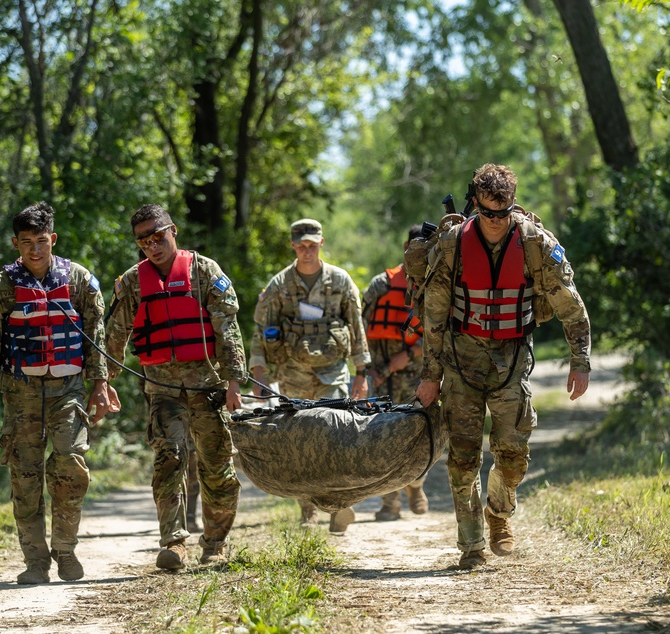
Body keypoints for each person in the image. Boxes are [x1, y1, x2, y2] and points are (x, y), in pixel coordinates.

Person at [414, 163, 591, 570]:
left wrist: (579, 361)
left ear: (512, 204)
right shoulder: (453, 244)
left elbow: (570, 304)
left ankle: (499, 511)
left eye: (503, 212)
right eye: (488, 213)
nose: (495, 222)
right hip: (461, 360)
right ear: (475, 203)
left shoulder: (535, 244)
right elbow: (435, 314)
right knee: (462, 457)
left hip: (511, 361)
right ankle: (472, 546)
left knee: (512, 455)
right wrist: (430, 376)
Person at [0, 202, 113, 585]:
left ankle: (65, 551)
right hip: (21, 393)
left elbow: (96, 337)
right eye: (26, 242)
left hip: (69, 389)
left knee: (70, 466)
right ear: (16, 243)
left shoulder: (80, 279)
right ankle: (36, 562)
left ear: (53, 239)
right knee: (26, 477)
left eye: (41, 241)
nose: (35, 250)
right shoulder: (1, 286)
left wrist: (101, 384)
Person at [105, 204, 245, 570]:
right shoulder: (133, 282)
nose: (153, 245)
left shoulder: (204, 271)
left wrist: (234, 382)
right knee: (170, 460)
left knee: (216, 468)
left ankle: (215, 543)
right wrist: (102, 382)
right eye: (143, 240)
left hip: (208, 387)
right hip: (162, 389)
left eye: (158, 236)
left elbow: (228, 330)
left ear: (173, 231)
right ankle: (174, 543)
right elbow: (115, 334)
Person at [250, 218, 372, 534]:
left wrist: (362, 372)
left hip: (333, 372)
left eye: (312, 245)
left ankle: (340, 505)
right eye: (301, 245)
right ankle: (308, 509)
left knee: (336, 436)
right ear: (293, 245)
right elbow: (261, 331)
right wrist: (259, 374)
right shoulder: (279, 285)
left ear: (321, 243)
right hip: (293, 374)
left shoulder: (341, 281)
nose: (306, 251)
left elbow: (356, 328)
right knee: (301, 442)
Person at [361, 224, 430, 522]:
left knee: (417, 437)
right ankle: (391, 504)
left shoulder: (433, 285)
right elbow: (359, 330)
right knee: (382, 439)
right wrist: (365, 370)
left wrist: (410, 353)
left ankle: (415, 485)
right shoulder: (380, 285)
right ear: (405, 246)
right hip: (380, 376)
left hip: (416, 377)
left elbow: (441, 336)